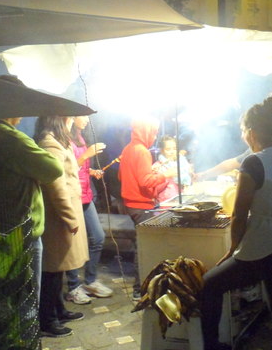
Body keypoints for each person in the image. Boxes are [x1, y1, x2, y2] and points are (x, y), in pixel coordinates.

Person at [201, 96, 272, 350]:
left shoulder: (254, 162)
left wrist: (232, 249)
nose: (242, 135)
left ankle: (212, 348)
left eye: (242, 130)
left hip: (267, 243)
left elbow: (239, 213)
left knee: (210, 284)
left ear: (252, 132)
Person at [0, 75, 63, 315]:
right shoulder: (10, 138)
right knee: (26, 301)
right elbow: (53, 169)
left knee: (7, 298)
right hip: (21, 230)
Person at [35, 116, 88, 337]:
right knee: (52, 269)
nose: (72, 122)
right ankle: (47, 320)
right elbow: (55, 185)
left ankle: (59, 310)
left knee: (59, 267)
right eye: (70, 118)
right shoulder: (50, 144)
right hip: (58, 216)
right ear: (60, 119)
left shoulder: (57, 141)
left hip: (63, 213)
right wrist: (69, 217)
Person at [64, 115, 113, 305]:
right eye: (82, 116)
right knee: (73, 242)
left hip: (85, 194)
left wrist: (90, 171)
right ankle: (73, 287)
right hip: (73, 196)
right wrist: (87, 155)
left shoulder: (79, 136)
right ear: (71, 116)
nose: (86, 120)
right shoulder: (64, 138)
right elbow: (65, 169)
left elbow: (79, 168)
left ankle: (90, 281)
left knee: (98, 237)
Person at [119, 118, 169, 298]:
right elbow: (145, 181)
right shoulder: (142, 151)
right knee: (145, 247)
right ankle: (140, 289)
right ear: (145, 132)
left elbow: (121, 175)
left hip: (131, 204)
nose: (154, 137)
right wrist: (165, 175)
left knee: (141, 244)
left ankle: (142, 287)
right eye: (153, 133)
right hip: (141, 205)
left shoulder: (128, 148)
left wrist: (151, 173)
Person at [152, 135, 193, 203]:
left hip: (182, 200)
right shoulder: (158, 166)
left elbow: (189, 181)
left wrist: (190, 174)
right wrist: (167, 176)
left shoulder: (182, 164)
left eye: (174, 149)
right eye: (168, 149)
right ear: (162, 151)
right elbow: (155, 189)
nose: (172, 152)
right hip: (166, 202)